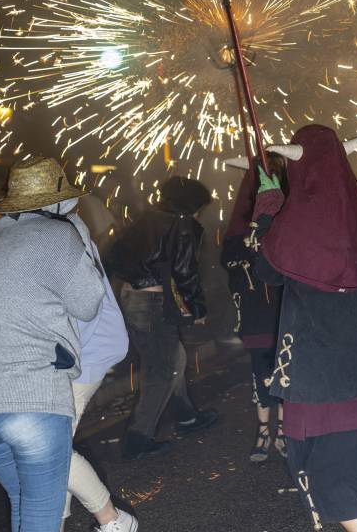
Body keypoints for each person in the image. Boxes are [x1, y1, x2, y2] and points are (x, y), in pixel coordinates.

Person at [253, 125, 357, 532]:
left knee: (329, 484)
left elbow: (266, 266)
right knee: (347, 477)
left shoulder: (297, 228)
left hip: (319, 382)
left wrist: (268, 207)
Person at [0, 157, 105, 532]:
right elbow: (89, 304)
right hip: (30, 401)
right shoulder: (58, 236)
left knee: (25, 506)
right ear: (59, 202)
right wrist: (78, 228)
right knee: (41, 521)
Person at [107, 176, 217, 460]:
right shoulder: (182, 225)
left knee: (173, 357)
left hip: (131, 296)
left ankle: (186, 416)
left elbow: (113, 256)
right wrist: (198, 309)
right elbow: (185, 272)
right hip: (153, 301)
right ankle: (138, 437)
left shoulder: (148, 219)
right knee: (161, 369)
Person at [63, 212, 136, 532]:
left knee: (48, 450)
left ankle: (114, 521)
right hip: (78, 351)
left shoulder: (60, 235)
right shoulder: (66, 228)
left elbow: (85, 302)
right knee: (53, 446)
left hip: (82, 352)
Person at [222, 157, 286, 463]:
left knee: (285, 368)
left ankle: (285, 428)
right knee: (261, 370)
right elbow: (230, 260)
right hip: (255, 310)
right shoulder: (239, 222)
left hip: (285, 307)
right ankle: (264, 430)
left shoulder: (287, 210)